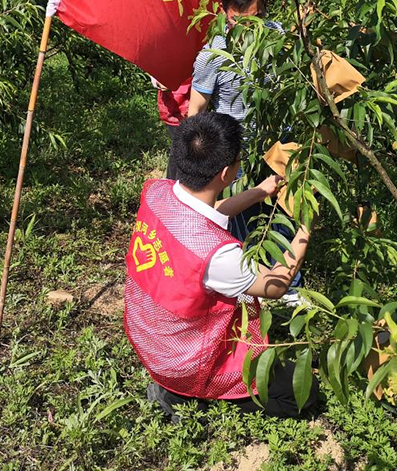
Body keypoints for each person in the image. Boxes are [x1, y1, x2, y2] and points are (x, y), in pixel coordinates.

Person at [124, 112, 318, 420]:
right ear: (227, 172)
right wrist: (306, 227)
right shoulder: (219, 257)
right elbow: (276, 284)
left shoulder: (156, 193)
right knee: (303, 392)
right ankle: (185, 395)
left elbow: (207, 212)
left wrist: (261, 191)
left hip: (149, 338)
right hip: (183, 360)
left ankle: (174, 388)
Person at [188, 0, 302, 299]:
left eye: (257, 18)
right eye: (241, 20)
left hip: (279, 148)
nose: (251, 28)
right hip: (239, 157)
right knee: (244, 224)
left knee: (282, 216)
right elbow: (195, 110)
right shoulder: (213, 55)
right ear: (226, 12)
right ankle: (251, 290)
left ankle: (288, 289)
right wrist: (200, 163)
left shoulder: (279, 39)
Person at [151, 75, 191, 179]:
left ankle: (175, 181)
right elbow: (154, 72)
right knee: (179, 148)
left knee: (183, 148)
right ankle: (173, 181)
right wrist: (159, 82)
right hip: (173, 110)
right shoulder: (164, 59)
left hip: (192, 105)